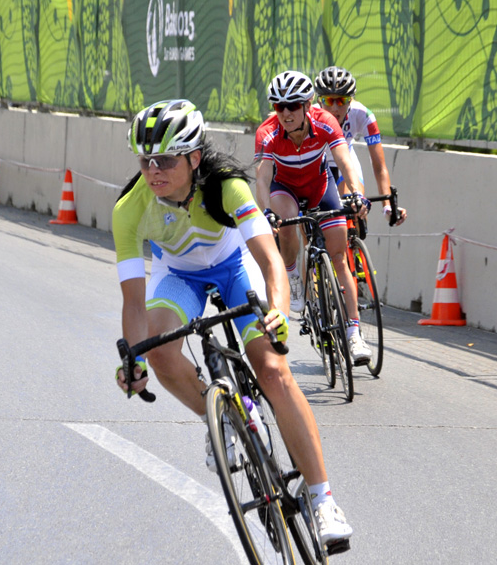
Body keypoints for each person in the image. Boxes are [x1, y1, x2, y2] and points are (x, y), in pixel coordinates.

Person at [112, 98, 354, 548]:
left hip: (234, 267)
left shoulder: (227, 187)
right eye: (145, 160)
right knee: (161, 351)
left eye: (165, 159)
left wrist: (278, 311)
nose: (153, 170)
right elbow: (133, 302)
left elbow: (270, 260)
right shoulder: (129, 209)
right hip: (179, 276)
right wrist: (135, 357)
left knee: (273, 370)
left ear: (194, 157)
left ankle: (323, 501)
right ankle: (216, 413)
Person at [253, 70, 372, 366]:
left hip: (320, 186)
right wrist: (265, 211)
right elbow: (263, 177)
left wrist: (357, 194)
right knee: (286, 217)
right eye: (279, 106)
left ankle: (354, 334)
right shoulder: (267, 132)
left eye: (293, 105)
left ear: (308, 105)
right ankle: (293, 274)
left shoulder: (325, 122)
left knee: (340, 257)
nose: (286, 113)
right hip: (285, 189)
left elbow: (344, 161)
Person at [313, 66, 408, 228]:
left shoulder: (363, 115)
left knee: (356, 206)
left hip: (345, 162)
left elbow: (379, 166)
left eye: (341, 100)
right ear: (318, 100)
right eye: (329, 100)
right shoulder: (310, 116)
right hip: (317, 165)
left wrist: (386, 207)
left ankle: (354, 242)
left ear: (350, 100)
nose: (335, 108)